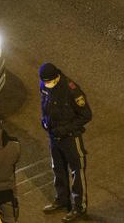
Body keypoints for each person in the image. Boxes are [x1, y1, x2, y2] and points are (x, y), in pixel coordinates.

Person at [39, 63, 92, 221]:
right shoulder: (44, 84)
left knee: (77, 171)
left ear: (57, 77)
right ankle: (62, 200)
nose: (47, 85)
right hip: (53, 136)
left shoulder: (71, 90)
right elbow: (45, 105)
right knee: (58, 169)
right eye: (45, 82)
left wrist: (66, 128)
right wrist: (44, 121)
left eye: (50, 81)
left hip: (70, 137)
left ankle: (79, 207)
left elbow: (86, 115)